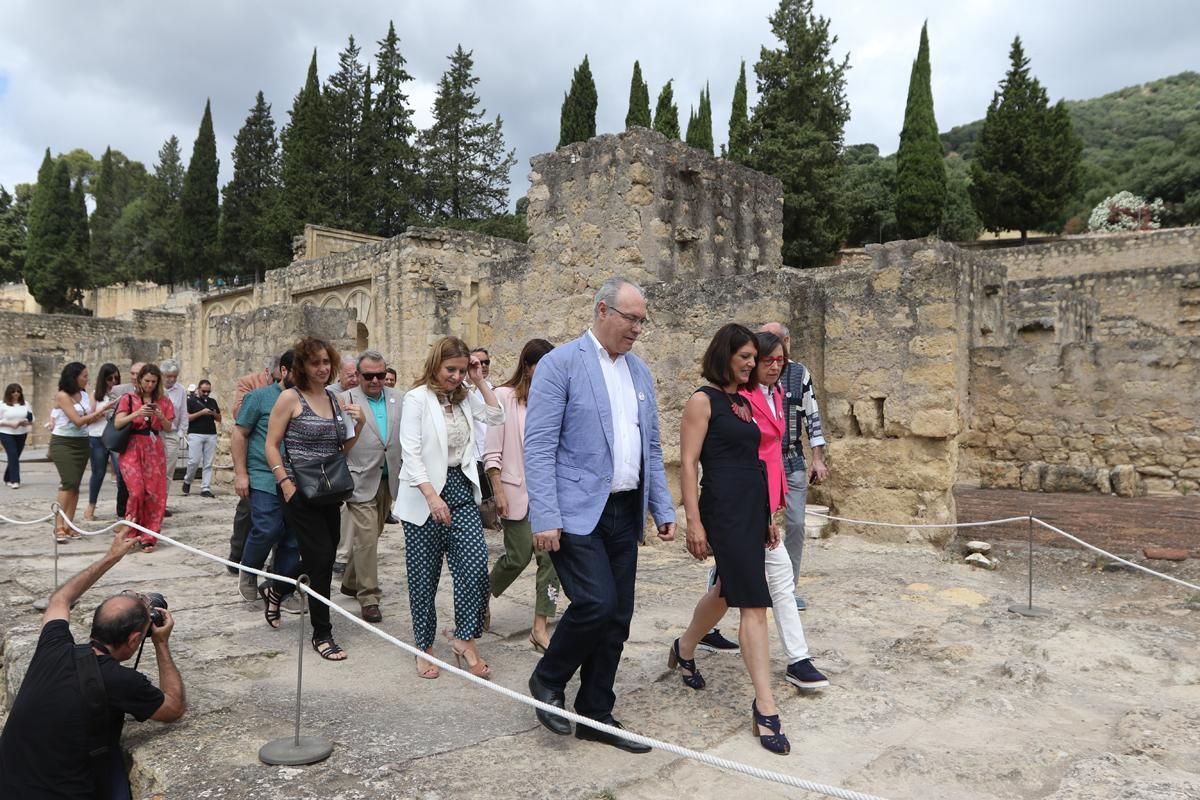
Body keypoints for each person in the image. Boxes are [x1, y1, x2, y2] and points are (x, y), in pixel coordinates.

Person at [524, 277, 675, 753]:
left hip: (625, 509)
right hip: (574, 512)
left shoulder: (640, 372)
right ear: (602, 310)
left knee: (618, 617)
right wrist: (544, 515)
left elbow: (650, 444)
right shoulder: (561, 364)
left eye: (642, 322)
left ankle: (595, 714)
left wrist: (661, 506)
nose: (637, 329)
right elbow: (540, 445)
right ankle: (547, 679)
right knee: (595, 604)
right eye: (631, 319)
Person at [666, 323, 790, 756]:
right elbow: (687, 464)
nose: (753, 365)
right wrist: (694, 523)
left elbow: (754, 462)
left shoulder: (744, 401)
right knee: (754, 602)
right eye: (745, 358)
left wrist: (766, 515)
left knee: (725, 592)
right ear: (725, 355)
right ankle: (766, 706)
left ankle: (684, 648)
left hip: (750, 509)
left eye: (755, 359)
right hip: (721, 509)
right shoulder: (703, 401)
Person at [0, 531, 185, 798]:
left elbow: (60, 599)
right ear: (135, 639)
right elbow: (174, 707)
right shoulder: (121, 681)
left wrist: (111, 557)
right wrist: (161, 644)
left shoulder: (53, 648)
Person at [394, 336, 503, 679]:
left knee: (473, 569)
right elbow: (410, 453)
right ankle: (423, 646)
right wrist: (431, 496)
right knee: (424, 577)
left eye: (462, 370)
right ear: (435, 365)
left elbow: (496, 417)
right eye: (450, 370)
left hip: (460, 488)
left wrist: (479, 379)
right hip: (423, 494)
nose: (456, 376)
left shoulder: (466, 398)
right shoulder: (416, 399)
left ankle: (465, 640)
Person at [263, 337, 365, 661]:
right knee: (321, 562)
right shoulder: (290, 399)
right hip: (298, 489)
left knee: (322, 554)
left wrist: (358, 425)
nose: (322, 369)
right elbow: (271, 444)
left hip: (328, 490)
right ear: (302, 366)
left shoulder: (334, 400)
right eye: (315, 363)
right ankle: (322, 633)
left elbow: (340, 449)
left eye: (326, 362)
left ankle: (277, 588)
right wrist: (285, 482)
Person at [739, 331, 828, 690]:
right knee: (728, 591)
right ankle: (686, 645)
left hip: (767, 504)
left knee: (779, 581)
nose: (775, 366)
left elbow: (802, 426)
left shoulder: (779, 392)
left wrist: (773, 508)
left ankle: (798, 659)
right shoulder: (736, 398)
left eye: (780, 360)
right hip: (744, 504)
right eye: (767, 360)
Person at [483, 338, 561, 652]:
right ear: (527, 367)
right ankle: (482, 595)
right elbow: (492, 451)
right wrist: (498, 489)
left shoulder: (557, 400)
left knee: (551, 560)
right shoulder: (504, 396)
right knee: (518, 556)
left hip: (549, 495)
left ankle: (540, 626)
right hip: (515, 492)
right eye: (540, 368)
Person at [760, 322, 828, 611]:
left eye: (776, 341)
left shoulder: (800, 374)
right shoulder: (753, 371)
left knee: (797, 524)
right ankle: (729, 582)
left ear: (786, 341)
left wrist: (818, 458)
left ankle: (787, 589)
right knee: (754, 528)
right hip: (761, 462)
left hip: (792, 459)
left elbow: (812, 416)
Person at [233, 351, 302, 614]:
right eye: (298, 370)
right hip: (263, 475)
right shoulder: (259, 398)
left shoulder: (309, 399)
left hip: (298, 479)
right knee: (268, 527)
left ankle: (281, 591)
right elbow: (240, 433)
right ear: (283, 371)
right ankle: (249, 570)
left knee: (293, 537)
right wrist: (241, 473)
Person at [338, 351, 402, 623]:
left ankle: (350, 581)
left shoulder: (400, 398)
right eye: (369, 376)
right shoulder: (344, 400)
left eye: (380, 375)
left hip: (389, 478)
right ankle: (369, 597)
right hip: (359, 479)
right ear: (358, 376)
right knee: (365, 538)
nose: (376, 380)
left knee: (372, 536)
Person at [227, 356, 283, 571]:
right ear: (269, 373)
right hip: (256, 457)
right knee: (247, 510)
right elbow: (239, 415)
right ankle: (237, 555)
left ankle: (275, 568)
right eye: (275, 378)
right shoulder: (250, 384)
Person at [113, 364, 175, 550]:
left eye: (153, 382)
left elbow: (168, 427)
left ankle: (149, 535)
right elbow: (117, 423)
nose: (149, 385)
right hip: (132, 446)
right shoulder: (128, 399)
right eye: (146, 381)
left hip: (154, 448)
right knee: (137, 491)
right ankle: (131, 532)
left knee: (155, 494)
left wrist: (160, 416)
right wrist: (137, 413)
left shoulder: (163, 401)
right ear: (140, 380)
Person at [50, 363, 110, 543]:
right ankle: (58, 525)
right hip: (64, 443)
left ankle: (69, 525)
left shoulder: (84, 395)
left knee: (75, 485)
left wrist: (101, 414)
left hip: (82, 441)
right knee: (68, 482)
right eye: (84, 375)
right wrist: (100, 411)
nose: (87, 378)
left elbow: (87, 422)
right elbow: (77, 421)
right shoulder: (62, 395)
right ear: (74, 376)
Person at [331, 356, 361, 574]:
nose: (353, 379)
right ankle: (339, 553)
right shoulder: (330, 394)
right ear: (339, 374)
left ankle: (344, 555)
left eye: (355, 374)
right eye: (349, 375)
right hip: (335, 459)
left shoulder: (363, 394)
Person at [84, 364, 123, 520]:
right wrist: (105, 410)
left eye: (116, 378)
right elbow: (89, 418)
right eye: (109, 378)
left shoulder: (122, 394)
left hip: (115, 436)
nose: (113, 381)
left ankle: (121, 509)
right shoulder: (95, 394)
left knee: (121, 473)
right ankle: (91, 506)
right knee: (98, 473)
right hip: (97, 436)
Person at [110, 362, 145, 522]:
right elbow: (109, 414)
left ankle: (140, 514)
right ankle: (123, 512)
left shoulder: (155, 392)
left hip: (144, 442)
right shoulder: (119, 391)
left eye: (137, 373)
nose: (133, 377)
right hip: (123, 439)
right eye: (131, 373)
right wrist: (126, 417)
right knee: (124, 478)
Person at [182, 379, 221, 498]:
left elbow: (219, 418)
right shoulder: (191, 401)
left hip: (211, 433)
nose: (206, 394)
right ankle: (188, 480)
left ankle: (205, 488)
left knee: (208, 462)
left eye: (208, 391)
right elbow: (187, 418)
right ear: (199, 389)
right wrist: (202, 413)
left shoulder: (212, 401)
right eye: (204, 391)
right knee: (194, 461)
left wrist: (213, 414)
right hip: (195, 433)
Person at [159, 360, 188, 512]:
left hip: (171, 434)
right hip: (156, 433)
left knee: (168, 472)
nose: (171, 379)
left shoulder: (180, 390)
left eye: (174, 376)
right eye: (168, 376)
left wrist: (180, 434)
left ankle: (162, 504)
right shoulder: (155, 388)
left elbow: (183, 412)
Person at [1, 383, 34, 489]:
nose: (16, 394)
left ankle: (7, 477)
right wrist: (10, 424)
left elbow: (32, 418)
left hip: (21, 433)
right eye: (13, 392)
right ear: (9, 393)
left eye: (18, 391)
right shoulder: (2, 405)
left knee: (15, 457)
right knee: (13, 455)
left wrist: (25, 421)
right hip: (6, 433)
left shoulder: (25, 404)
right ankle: (15, 480)